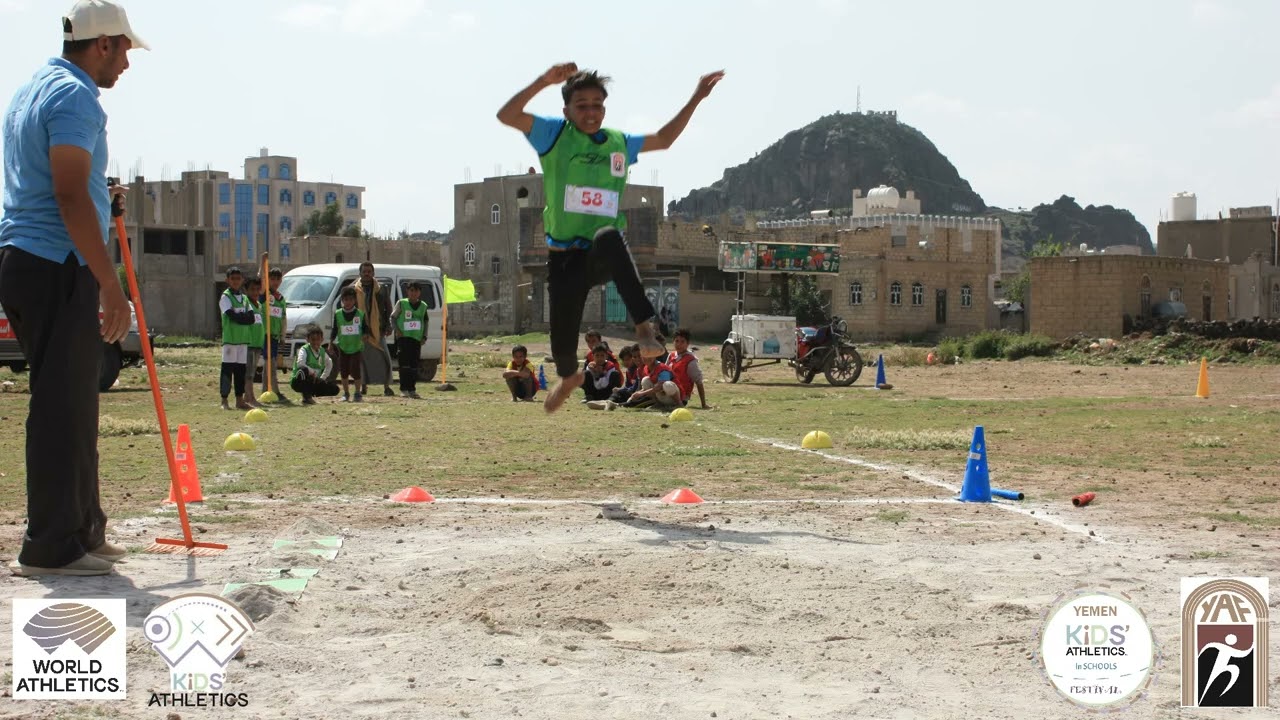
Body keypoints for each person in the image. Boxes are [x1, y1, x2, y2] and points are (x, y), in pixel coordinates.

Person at [0, 0, 148, 576]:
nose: (127, 65)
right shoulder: (75, 97)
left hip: (32, 257)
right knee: (62, 406)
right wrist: (110, 284)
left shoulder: (35, 87)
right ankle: (52, 547)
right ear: (103, 43)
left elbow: (65, 182)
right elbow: (63, 194)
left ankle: (83, 530)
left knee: (78, 400)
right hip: (55, 261)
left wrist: (99, 197)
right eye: (126, 50)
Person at [497, 63, 724, 413]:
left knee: (608, 235)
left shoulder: (619, 143)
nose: (591, 112)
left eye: (597, 105)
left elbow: (664, 139)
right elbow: (507, 114)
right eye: (582, 105)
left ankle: (644, 328)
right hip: (563, 258)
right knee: (561, 344)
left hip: (599, 254)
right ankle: (570, 377)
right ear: (567, 111)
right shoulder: (553, 135)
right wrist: (545, 80)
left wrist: (697, 97)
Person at [354, 261, 394, 397]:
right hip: (360, 330)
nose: (366, 274)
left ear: (373, 273)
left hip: (378, 329)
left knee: (384, 357)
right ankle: (362, 387)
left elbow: (388, 307)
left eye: (369, 271)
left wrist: (389, 325)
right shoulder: (354, 289)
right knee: (362, 360)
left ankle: (387, 387)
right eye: (364, 271)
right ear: (360, 273)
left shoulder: (381, 289)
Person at [218, 267, 256, 410]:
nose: (235, 281)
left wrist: (241, 318)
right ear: (227, 280)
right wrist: (242, 318)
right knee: (227, 370)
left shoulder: (245, 298)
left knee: (241, 371)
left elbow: (251, 318)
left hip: (243, 340)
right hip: (230, 340)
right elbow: (231, 316)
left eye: (238, 279)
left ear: (242, 280)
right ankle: (224, 400)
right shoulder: (225, 297)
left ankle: (239, 400)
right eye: (232, 278)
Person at [329, 285, 371, 402]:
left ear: (355, 300)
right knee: (344, 371)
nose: (348, 302)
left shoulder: (360, 314)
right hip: (343, 347)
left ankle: (357, 393)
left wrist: (366, 335)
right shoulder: (338, 314)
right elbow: (335, 329)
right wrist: (330, 343)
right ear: (342, 300)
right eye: (346, 299)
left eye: (351, 299)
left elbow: (366, 328)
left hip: (356, 347)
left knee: (355, 370)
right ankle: (346, 393)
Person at [390, 280, 428, 399]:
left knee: (414, 365)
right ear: (407, 291)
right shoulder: (401, 303)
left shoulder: (423, 306)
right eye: (411, 290)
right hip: (403, 338)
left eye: (416, 291)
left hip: (416, 339)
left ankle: (412, 389)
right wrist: (397, 330)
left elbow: (425, 321)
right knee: (404, 365)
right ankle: (403, 389)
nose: (413, 293)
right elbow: (393, 318)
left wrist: (424, 336)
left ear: (419, 292)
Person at [261, 266, 290, 403]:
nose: (275, 282)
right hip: (264, 334)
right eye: (272, 279)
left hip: (275, 336)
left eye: (278, 279)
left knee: (271, 363)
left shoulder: (281, 298)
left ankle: (270, 390)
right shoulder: (264, 295)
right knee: (269, 363)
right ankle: (270, 390)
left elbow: (283, 318)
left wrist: (283, 336)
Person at [290, 326, 338, 404]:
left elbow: (329, 363)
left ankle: (311, 393)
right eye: (313, 339)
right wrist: (311, 371)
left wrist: (323, 378)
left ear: (322, 340)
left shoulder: (322, 351)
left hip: (314, 381)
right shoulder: (304, 349)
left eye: (318, 339)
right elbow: (300, 363)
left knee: (335, 389)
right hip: (299, 381)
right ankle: (306, 397)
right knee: (303, 370)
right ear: (307, 339)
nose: (315, 342)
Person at [667, 328, 711, 409]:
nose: (679, 344)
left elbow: (699, 382)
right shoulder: (671, 356)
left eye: (682, 342)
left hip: (681, 396)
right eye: (676, 341)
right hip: (667, 392)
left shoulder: (690, 360)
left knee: (667, 385)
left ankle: (678, 404)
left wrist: (703, 404)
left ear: (687, 344)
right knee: (647, 380)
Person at [243, 275, 265, 408]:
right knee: (249, 373)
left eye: (258, 289)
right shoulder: (246, 303)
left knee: (252, 371)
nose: (255, 292)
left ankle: (247, 396)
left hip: (258, 343)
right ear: (246, 290)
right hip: (249, 343)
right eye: (252, 289)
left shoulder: (260, 305)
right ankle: (251, 398)